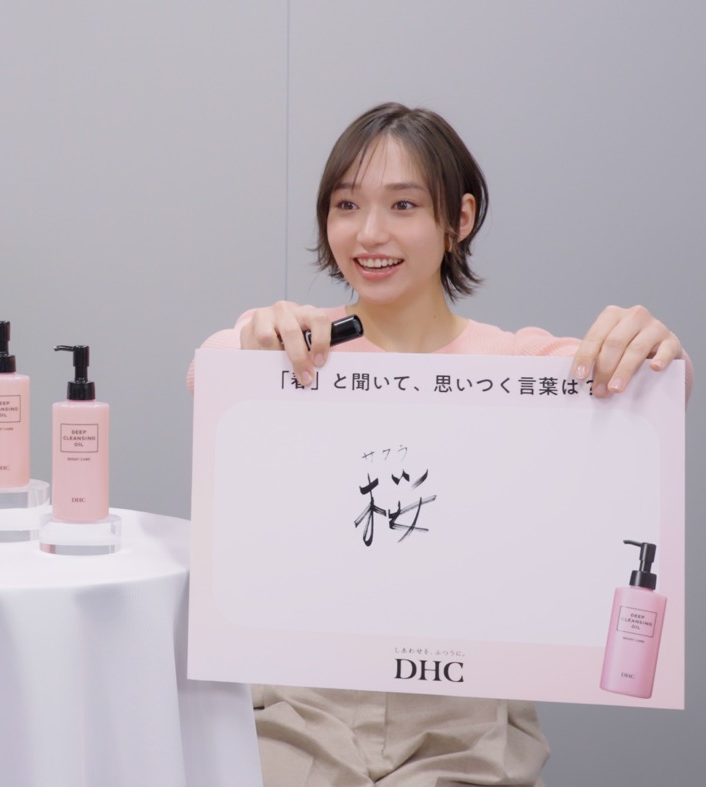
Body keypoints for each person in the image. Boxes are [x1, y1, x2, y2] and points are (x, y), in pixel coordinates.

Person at [188, 102, 690, 786]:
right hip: (301, 706)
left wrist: (654, 349)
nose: (369, 233)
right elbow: (210, 369)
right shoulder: (296, 349)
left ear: (460, 218)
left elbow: (653, 390)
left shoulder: (514, 363)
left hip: (463, 721)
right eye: (346, 205)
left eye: (403, 205)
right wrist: (253, 342)